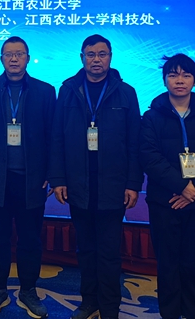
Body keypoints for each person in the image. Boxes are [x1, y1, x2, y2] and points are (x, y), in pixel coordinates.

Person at [49, 34, 143, 319]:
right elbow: (57, 137)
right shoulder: (68, 90)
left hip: (113, 185)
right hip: (78, 184)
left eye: (102, 54)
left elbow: (135, 142)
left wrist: (133, 183)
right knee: (86, 249)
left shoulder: (126, 92)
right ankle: (89, 301)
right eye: (91, 54)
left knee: (109, 252)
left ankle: (110, 307)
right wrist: (58, 179)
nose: (97, 60)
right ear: (82, 58)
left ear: (110, 57)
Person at [0, 36, 56, 319]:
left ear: (28, 58)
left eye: (19, 54)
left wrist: (52, 173)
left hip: (32, 181)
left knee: (30, 240)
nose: (14, 59)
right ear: (1, 59)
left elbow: (53, 136)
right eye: (9, 54)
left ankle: (29, 290)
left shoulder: (45, 91)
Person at [139, 54, 195, 319]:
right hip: (164, 201)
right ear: (164, 80)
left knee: (193, 265)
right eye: (173, 75)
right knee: (167, 265)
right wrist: (181, 187)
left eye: (186, 75)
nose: (179, 80)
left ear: (194, 80)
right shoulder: (151, 118)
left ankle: (192, 314)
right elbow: (149, 157)